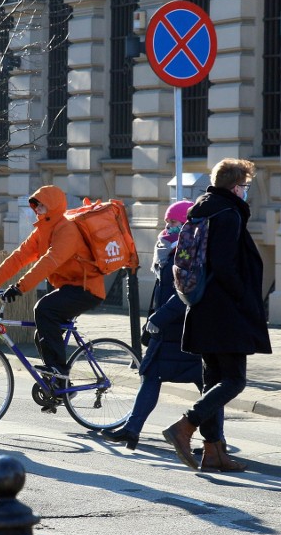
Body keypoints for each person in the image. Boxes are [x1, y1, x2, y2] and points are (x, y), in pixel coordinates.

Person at [162, 158, 271, 472]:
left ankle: (213, 452)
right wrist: (242, 297)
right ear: (236, 186)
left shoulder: (202, 209)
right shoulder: (229, 213)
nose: (246, 192)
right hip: (226, 310)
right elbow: (224, 264)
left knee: (213, 379)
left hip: (201, 306)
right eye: (245, 187)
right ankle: (185, 425)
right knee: (234, 380)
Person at [102, 200, 206, 450]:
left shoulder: (187, 252)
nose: (167, 227)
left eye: (173, 223)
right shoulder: (170, 252)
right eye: (167, 222)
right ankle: (131, 430)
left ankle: (216, 442)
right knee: (151, 376)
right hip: (168, 332)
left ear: (187, 226)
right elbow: (163, 294)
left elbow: (184, 294)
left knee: (209, 388)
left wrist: (157, 319)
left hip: (187, 332)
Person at [0, 185, 104, 377]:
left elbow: (49, 261)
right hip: (69, 286)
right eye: (35, 205)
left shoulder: (67, 230)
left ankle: (59, 371)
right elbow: (19, 257)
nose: (37, 208)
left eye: (41, 205)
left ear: (53, 206)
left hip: (87, 288)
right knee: (42, 336)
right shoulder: (43, 230)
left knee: (44, 309)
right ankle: (58, 384)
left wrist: (19, 287)